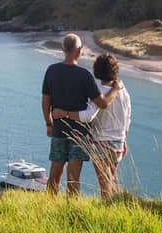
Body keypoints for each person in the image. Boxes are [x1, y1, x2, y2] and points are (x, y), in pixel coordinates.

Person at [41, 33, 119, 196]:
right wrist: (115, 90)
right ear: (79, 51)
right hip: (80, 134)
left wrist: (49, 124)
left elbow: (45, 101)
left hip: (59, 129)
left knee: (55, 172)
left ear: (63, 49)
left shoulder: (51, 70)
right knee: (73, 176)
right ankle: (71, 209)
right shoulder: (84, 75)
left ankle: (48, 206)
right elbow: (102, 103)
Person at [52, 52, 131, 198]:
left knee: (105, 185)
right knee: (110, 182)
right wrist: (124, 140)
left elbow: (87, 116)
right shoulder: (123, 91)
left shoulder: (100, 93)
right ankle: (114, 209)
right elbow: (127, 117)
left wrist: (65, 113)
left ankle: (107, 214)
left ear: (97, 71)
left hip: (102, 142)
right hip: (118, 143)